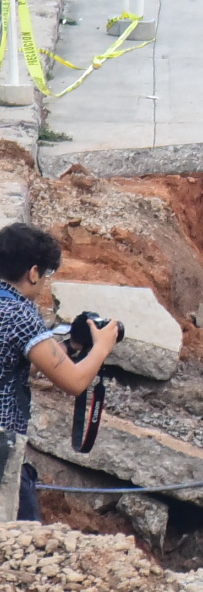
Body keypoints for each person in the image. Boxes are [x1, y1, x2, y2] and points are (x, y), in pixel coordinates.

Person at [0, 223, 120, 522]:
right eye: (46, 276)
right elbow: (75, 382)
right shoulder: (20, 314)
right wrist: (101, 347)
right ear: (33, 272)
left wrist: (66, 347)